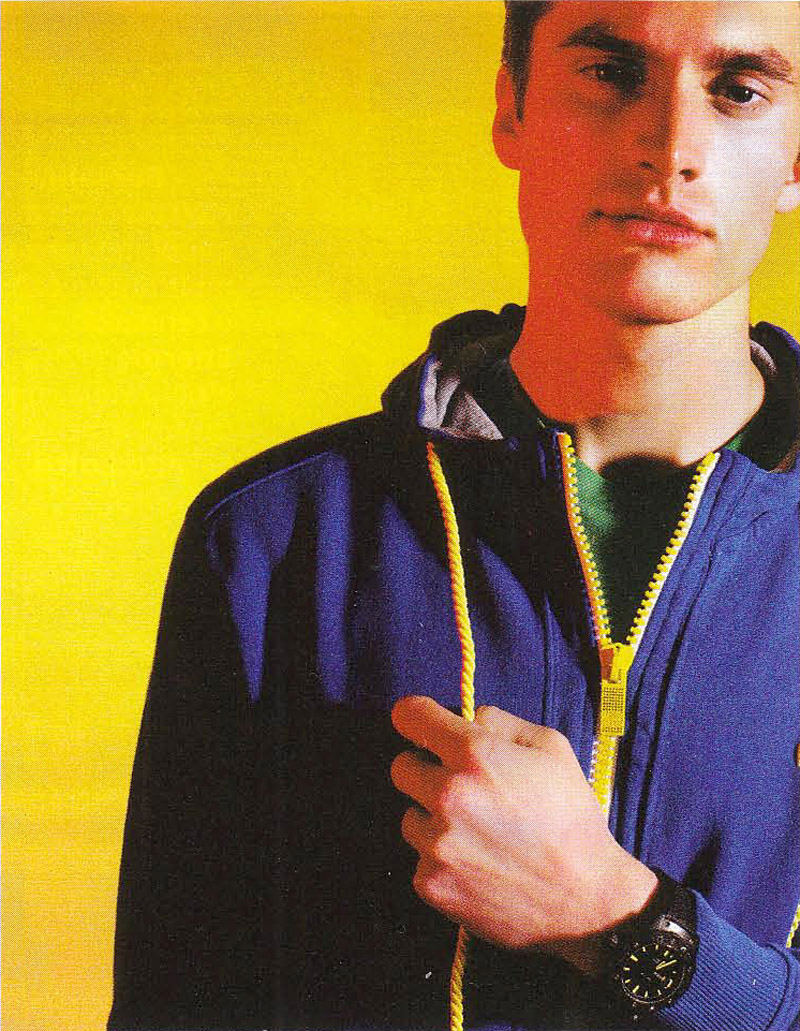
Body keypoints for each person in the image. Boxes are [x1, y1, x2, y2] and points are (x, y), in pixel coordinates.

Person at [108, 2, 800, 1029]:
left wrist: (617, 919)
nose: (668, 147)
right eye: (609, 74)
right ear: (511, 108)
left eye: (738, 90)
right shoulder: (273, 538)